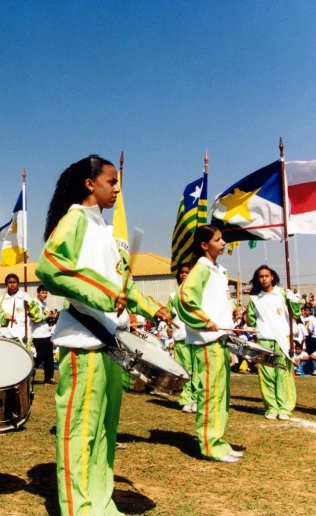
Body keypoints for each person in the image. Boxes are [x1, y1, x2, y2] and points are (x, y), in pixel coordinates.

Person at [35, 155, 172, 515]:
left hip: (111, 343)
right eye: (111, 182)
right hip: (83, 341)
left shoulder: (104, 231)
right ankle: (77, 507)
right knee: (81, 430)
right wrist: (106, 295)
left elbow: (120, 284)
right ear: (89, 183)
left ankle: (100, 500)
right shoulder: (75, 219)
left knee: (104, 431)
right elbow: (51, 267)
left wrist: (149, 306)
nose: (117, 188)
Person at [177, 225, 243, 463]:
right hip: (207, 342)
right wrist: (204, 321)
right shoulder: (201, 268)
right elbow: (183, 298)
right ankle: (210, 444)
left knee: (221, 393)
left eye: (222, 238)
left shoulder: (218, 270)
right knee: (210, 393)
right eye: (217, 239)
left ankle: (219, 441)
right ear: (205, 245)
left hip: (220, 340)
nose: (223, 242)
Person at [245, 265, 301, 420]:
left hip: (283, 338)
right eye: (261, 276)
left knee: (283, 374)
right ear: (258, 279)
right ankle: (271, 407)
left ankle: (284, 407)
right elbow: (250, 320)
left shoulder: (282, 294)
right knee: (266, 375)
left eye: (267, 276)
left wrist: (294, 301)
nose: (264, 279)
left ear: (273, 277)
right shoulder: (255, 298)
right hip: (264, 339)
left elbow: (295, 314)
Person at [169, 264, 197, 412]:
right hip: (181, 338)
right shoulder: (173, 296)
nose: (184, 275)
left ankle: (197, 399)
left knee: (197, 370)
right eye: (181, 273)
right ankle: (186, 399)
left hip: (197, 337)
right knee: (184, 371)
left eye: (187, 272)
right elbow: (169, 316)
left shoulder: (198, 293)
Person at [0, 273, 43, 347]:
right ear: (6, 284)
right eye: (10, 282)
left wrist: (30, 303)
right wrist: (5, 316)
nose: (12, 285)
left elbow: (36, 316)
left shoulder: (25, 296)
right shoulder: (1, 299)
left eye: (14, 282)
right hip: (6, 335)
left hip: (23, 335)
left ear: (18, 283)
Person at [31, 285, 56, 383]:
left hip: (46, 332)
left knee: (49, 356)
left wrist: (50, 318)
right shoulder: (34, 303)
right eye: (43, 292)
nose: (44, 295)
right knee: (40, 355)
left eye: (46, 293)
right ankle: (30, 368)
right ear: (38, 292)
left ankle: (48, 377)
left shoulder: (45, 304)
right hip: (37, 333)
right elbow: (35, 318)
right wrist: (46, 316)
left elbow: (45, 317)